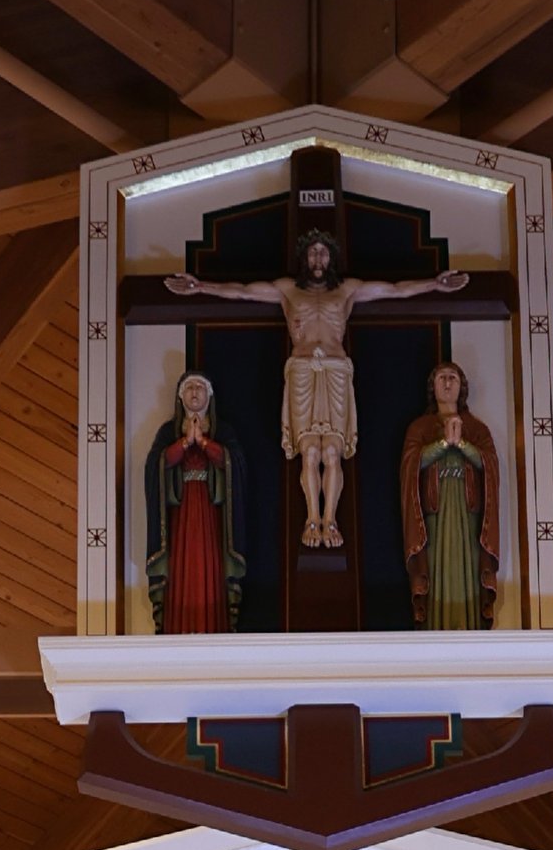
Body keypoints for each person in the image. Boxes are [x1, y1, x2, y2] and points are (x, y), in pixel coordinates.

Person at [169, 235, 461, 548]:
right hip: (302, 371)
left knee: (331, 452)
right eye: (312, 253)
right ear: (304, 259)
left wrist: (434, 284)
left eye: (323, 253)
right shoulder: (287, 290)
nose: (318, 259)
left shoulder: (347, 290)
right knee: (309, 451)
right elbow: (242, 291)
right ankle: (312, 519)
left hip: (335, 371)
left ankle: (330, 520)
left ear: (331, 258)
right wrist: (200, 287)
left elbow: (394, 289)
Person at [400, 360, 500, 628]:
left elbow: (488, 465)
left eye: (453, 378)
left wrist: (463, 444)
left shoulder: (477, 429)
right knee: (438, 567)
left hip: (467, 512)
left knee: (465, 567)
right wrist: (443, 443)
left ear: (461, 387)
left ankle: (470, 624)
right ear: (433, 387)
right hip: (435, 511)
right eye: (442, 378)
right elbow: (412, 465)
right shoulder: (419, 428)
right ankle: (436, 625)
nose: (447, 383)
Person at [142, 368, 242, 633]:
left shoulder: (223, 431)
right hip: (180, 514)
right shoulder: (168, 431)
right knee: (181, 570)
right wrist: (185, 443)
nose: (195, 392)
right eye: (189, 388)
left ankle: (215, 626)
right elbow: (156, 465)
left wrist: (205, 444)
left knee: (210, 567)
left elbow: (234, 464)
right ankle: (178, 627)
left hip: (211, 513)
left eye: (200, 387)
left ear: (209, 395)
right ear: (180, 396)